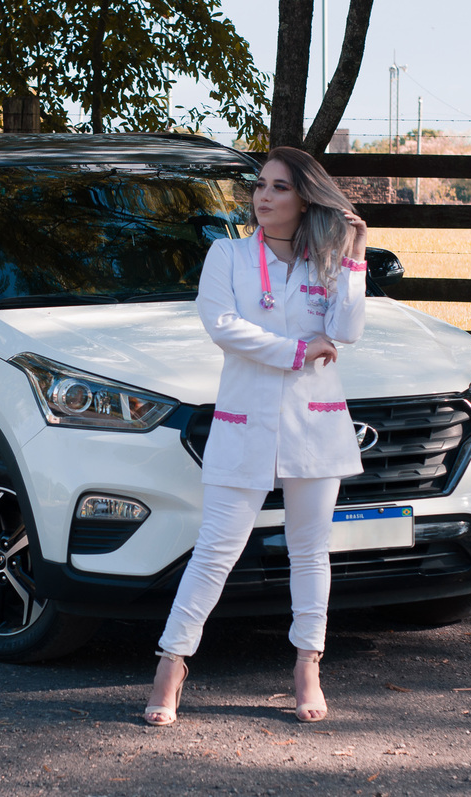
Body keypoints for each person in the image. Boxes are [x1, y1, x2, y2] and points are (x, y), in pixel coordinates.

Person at [143, 146, 369, 726]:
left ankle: (307, 666)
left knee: (310, 551)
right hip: (245, 424)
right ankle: (172, 663)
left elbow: (345, 330)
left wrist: (354, 256)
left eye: (279, 188)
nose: (263, 197)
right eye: (260, 186)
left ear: (305, 199)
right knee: (217, 549)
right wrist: (297, 351)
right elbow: (223, 327)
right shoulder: (229, 256)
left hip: (314, 425)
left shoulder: (326, 262)